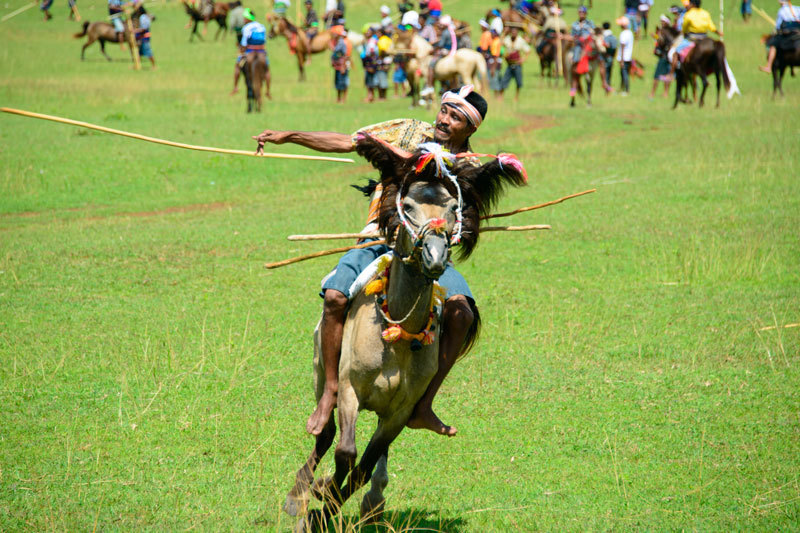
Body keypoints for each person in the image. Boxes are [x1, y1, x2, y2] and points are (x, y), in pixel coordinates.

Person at [252, 86, 492, 438]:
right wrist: (290, 136)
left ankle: (424, 404)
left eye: (455, 117)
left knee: (462, 313)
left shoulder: (471, 167)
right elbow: (348, 141)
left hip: (428, 257)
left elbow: (466, 223)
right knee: (335, 296)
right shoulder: (408, 131)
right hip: (379, 241)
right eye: (443, 110)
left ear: (470, 129)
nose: (443, 119)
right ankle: (331, 389)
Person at [669, 0, 723, 73]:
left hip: (692, 38)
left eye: (690, 3)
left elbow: (684, 28)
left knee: (676, 51)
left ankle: (673, 72)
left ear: (693, 4)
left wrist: (683, 32)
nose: (689, 5)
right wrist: (718, 32)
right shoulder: (705, 13)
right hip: (704, 37)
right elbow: (711, 26)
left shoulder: (689, 14)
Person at [759, 0, 800, 73]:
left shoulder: (781, 11)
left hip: (787, 33)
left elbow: (778, 26)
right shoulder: (797, 8)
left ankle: (768, 66)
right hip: (797, 32)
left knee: (773, 45)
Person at [421, 14, 456, 97]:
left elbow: (441, 45)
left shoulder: (445, 32)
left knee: (431, 64)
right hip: (450, 49)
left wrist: (433, 50)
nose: (439, 26)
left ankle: (429, 86)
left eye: (441, 25)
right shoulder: (450, 31)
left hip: (445, 51)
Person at [240, 9, 271, 98]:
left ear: (248, 18)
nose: (244, 19)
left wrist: (241, 51)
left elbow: (244, 44)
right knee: (267, 70)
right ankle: (268, 90)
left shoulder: (246, 28)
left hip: (250, 50)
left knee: (238, 65)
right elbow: (264, 41)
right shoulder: (261, 26)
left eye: (245, 18)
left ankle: (235, 87)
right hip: (261, 51)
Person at [500, 26, 531, 101]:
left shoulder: (520, 41)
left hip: (517, 64)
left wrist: (523, 59)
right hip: (509, 64)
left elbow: (528, 50)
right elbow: (501, 44)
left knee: (518, 81)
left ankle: (516, 97)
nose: (513, 33)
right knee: (504, 80)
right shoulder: (507, 39)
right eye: (512, 32)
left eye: (515, 32)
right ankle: (501, 96)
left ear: (517, 33)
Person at [650, 15, 673, 97]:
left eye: (663, 21)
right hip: (669, 55)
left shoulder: (664, 31)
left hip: (664, 55)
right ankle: (665, 93)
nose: (661, 23)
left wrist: (655, 37)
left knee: (657, 75)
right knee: (667, 74)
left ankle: (652, 93)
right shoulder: (670, 31)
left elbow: (662, 42)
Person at [331, 25, 350, 103]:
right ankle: (338, 98)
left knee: (342, 82)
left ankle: (343, 99)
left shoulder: (342, 43)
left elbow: (345, 55)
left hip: (342, 65)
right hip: (337, 65)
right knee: (337, 81)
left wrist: (343, 66)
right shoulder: (337, 42)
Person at [616, 16, 634, 95]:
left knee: (624, 74)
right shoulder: (630, 33)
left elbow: (622, 47)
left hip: (624, 57)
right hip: (628, 57)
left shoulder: (623, 34)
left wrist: (622, 60)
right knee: (623, 73)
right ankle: (622, 88)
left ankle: (626, 90)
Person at [601, 21, 618, 87]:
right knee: (609, 71)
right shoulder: (613, 36)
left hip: (606, 55)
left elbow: (607, 45)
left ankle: (606, 84)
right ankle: (608, 83)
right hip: (612, 55)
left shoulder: (605, 36)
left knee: (605, 71)